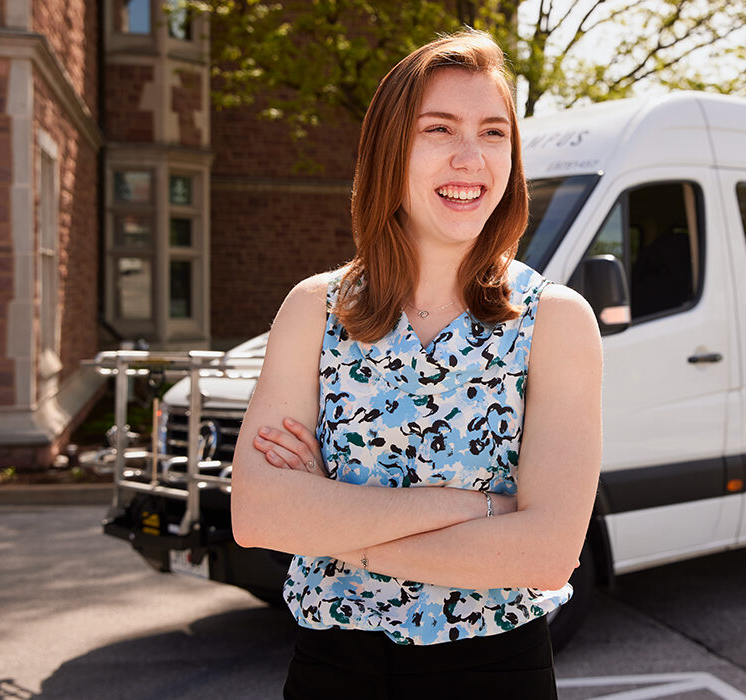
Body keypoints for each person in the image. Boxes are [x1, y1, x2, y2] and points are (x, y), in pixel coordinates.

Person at [229, 29, 603, 699]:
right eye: (439, 129)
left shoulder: (556, 321)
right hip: (332, 672)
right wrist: (483, 509)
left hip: (494, 672)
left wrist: (333, 522)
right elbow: (260, 515)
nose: (471, 158)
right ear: (389, 151)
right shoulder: (314, 310)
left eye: (493, 133)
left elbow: (546, 554)